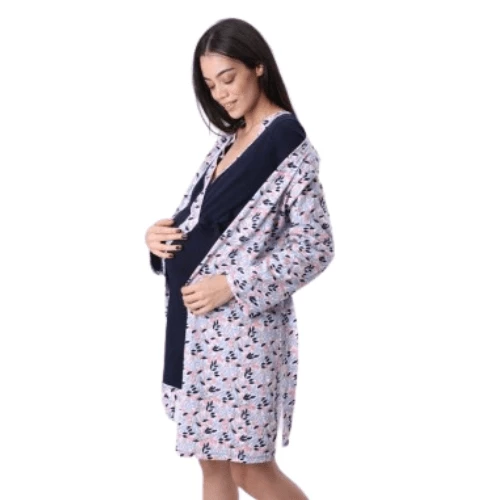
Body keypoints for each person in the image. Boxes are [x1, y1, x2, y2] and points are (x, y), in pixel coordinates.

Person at [144, 17, 334, 500]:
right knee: (212, 468)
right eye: (211, 85)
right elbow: (199, 223)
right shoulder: (228, 142)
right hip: (194, 331)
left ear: (258, 66)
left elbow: (315, 246)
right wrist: (157, 238)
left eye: (228, 78)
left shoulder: (287, 144)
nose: (221, 94)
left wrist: (232, 284)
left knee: (251, 470)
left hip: (241, 335)